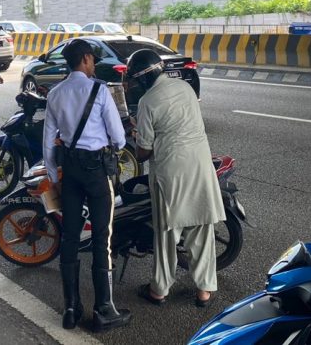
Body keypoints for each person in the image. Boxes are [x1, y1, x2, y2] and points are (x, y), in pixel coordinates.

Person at [43, 39, 131, 332]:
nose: (93, 64)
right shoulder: (99, 90)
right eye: (91, 59)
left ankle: (70, 308)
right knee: (101, 239)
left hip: (69, 172)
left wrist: (54, 177)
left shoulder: (56, 93)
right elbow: (118, 137)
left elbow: (48, 142)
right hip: (96, 171)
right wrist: (115, 144)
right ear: (84, 60)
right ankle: (104, 309)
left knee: (69, 237)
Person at [129, 49, 225, 307]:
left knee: (167, 234)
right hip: (200, 165)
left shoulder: (147, 102)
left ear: (142, 79)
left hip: (171, 172)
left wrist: (136, 133)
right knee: (202, 229)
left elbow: (143, 152)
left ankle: (159, 290)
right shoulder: (185, 88)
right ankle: (205, 290)